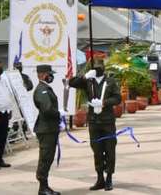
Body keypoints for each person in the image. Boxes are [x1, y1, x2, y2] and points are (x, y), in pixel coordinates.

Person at [68, 58, 122, 191]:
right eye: (95, 69)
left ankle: (109, 177)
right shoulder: (89, 81)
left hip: (107, 121)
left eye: (99, 68)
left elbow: (118, 98)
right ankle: (100, 178)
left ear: (103, 68)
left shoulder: (110, 81)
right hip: (93, 121)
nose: (98, 71)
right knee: (97, 151)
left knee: (110, 150)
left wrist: (104, 103)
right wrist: (84, 76)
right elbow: (72, 83)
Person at [33, 64, 62, 195]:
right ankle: (42, 187)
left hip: (50, 128)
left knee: (48, 157)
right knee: (45, 158)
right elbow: (47, 109)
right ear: (44, 74)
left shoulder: (45, 88)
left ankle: (45, 187)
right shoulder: (42, 90)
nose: (52, 77)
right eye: (50, 74)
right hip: (46, 129)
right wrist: (59, 113)